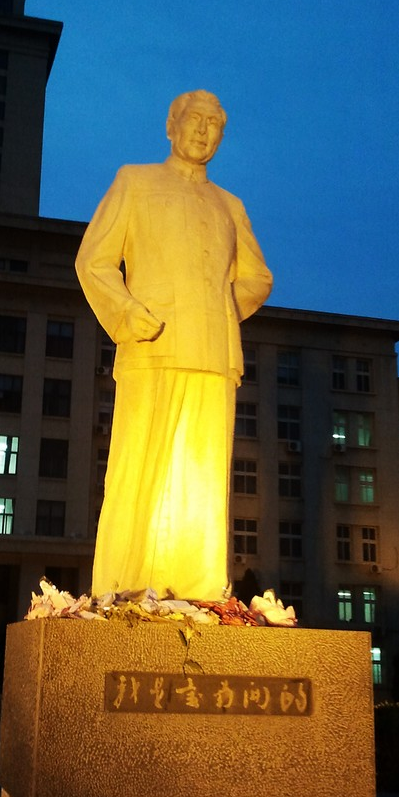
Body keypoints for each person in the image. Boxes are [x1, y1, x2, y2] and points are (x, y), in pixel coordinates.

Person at [76, 90, 273, 601]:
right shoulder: (135, 182)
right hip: (151, 343)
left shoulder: (229, 205)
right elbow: (93, 260)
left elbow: (257, 278)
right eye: (195, 120)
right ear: (171, 125)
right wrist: (124, 312)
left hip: (213, 351)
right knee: (138, 464)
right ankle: (122, 585)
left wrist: (218, 308)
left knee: (203, 480)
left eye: (215, 124)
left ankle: (198, 588)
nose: (204, 131)